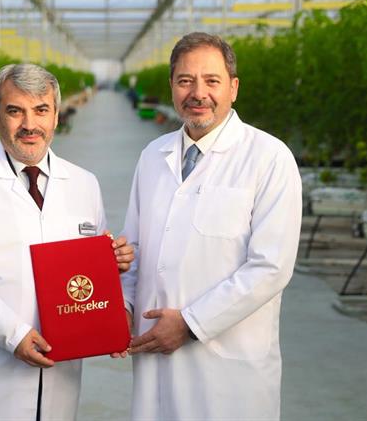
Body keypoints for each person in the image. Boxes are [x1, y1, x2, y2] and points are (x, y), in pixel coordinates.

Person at [0, 63, 134, 421]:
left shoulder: (83, 184)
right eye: (15, 111)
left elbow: (87, 275)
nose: (29, 124)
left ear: (56, 116)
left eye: (41, 110)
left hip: (59, 372)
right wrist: (12, 333)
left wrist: (114, 271)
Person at [121, 32, 302, 420]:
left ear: (233, 88)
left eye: (212, 81)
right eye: (185, 80)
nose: (197, 93)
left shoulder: (269, 158)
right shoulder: (153, 156)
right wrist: (123, 307)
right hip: (155, 355)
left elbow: (271, 267)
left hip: (228, 366)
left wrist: (190, 323)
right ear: (171, 86)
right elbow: (133, 250)